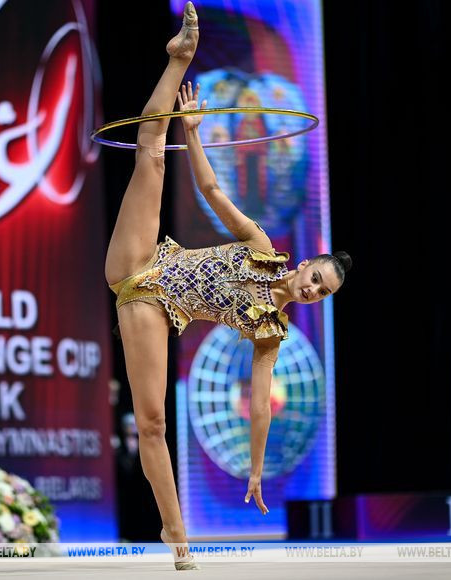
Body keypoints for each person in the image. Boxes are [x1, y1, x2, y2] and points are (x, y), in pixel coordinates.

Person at [103, 2, 351, 570]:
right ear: (304, 264)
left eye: (323, 293)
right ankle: (179, 57)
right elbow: (214, 192)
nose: (313, 291)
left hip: (149, 305)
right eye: (317, 278)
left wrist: (257, 470)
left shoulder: (270, 331)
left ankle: (176, 534)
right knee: (151, 158)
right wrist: (192, 133)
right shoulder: (260, 243)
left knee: (153, 423)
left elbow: (260, 406)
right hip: (146, 257)